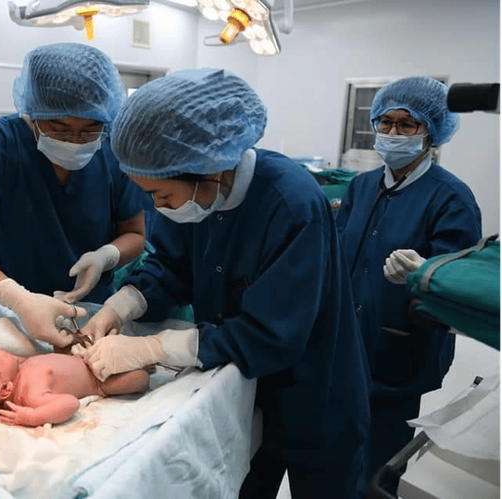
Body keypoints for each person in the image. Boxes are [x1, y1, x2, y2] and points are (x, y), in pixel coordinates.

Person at [73, 68, 371, 499]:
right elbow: (172, 265)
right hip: (240, 387)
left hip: (316, 390)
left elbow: (273, 336)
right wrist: (122, 304)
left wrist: (154, 348)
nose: (158, 208)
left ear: (208, 170)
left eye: (162, 197)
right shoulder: (194, 199)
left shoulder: (291, 203)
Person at [0, 43, 148, 348]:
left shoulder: (112, 149)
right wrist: (16, 297)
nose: (75, 140)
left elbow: (134, 233)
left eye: (90, 129)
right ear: (32, 114)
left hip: (89, 316)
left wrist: (105, 257)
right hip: (12, 317)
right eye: (59, 127)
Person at [335, 76, 482, 491]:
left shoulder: (451, 197)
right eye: (385, 122)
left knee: (380, 453)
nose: (392, 133)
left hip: (401, 343)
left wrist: (423, 274)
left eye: (407, 125)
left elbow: (460, 283)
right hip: (351, 336)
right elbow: (341, 251)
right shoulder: (362, 185)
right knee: (343, 442)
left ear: (430, 133)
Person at [0, 345, 150, 426]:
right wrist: (34, 417)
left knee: (130, 350)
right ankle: (150, 365)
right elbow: (70, 404)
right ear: (5, 389)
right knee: (140, 378)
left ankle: (150, 356)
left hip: (88, 356)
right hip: (100, 382)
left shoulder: (18, 369)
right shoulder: (31, 396)